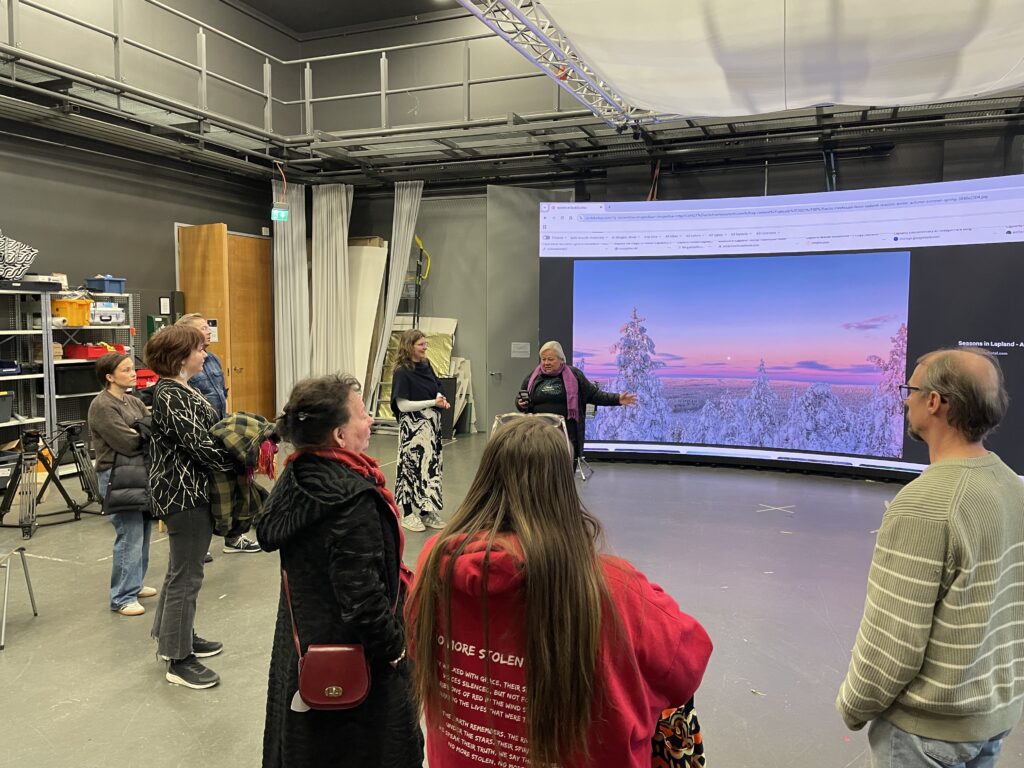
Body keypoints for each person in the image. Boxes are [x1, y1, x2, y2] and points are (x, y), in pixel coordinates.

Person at [406, 415, 712, 768]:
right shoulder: (613, 588)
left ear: (485, 478)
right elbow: (687, 666)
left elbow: (415, 642)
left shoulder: (436, 562)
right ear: (563, 488)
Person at [837, 347, 1024, 767]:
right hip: (990, 720)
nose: (905, 399)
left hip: (925, 734)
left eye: (911, 390)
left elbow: (892, 642)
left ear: (935, 402)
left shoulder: (922, 506)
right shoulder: (1014, 488)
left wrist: (853, 706)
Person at [257, 374, 423, 768]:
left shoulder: (296, 476)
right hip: (357, 660)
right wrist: (398, 651)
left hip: (303, 649)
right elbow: (364, 600)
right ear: (338, 435)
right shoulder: (350, 502)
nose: (370, 422)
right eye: (363, 414)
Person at [144, 325, 234, 690]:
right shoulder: (172, 395)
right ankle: (178, 659)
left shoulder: (181, 389)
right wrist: (241, 458)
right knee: (188, 575)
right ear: (181, 357)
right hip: (185, 495)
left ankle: (171, 635)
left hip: (187, 492)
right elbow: (201, 446)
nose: (204, 354)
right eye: (199, 349)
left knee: (180, 570)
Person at [176, 312, 260, 555]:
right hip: (198, 435)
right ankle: (199, 546)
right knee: (204, 491)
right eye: (202, 328)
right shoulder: (182, 364)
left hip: (221, 432)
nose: (208, 331)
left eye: (208, 326)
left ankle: (234, 538)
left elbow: (220, 395)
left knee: (232, 486)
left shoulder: (211, 359)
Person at [87, 352, 155, 617]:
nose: (133, 373)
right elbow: (127, 441)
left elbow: (149, 428)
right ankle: (122, 597)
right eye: (126, 370)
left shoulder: (133, 401)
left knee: (144, 530)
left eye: (132, 369)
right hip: (116, 475)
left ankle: (134, 584)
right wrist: (141, 433)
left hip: (139, 472)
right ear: (109, 376)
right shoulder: (102, 405)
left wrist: (142, 432)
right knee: (129, 532)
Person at [516, 340, 637, 460]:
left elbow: (594, 395)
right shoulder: (533, 377)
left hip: (566, 434)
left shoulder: (574, 375)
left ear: (561, 359)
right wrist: (520, 403)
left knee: (564, 469)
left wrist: (617, 399)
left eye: (551, 359)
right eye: (543, 359)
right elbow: (521, 399)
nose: (546, 362)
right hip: (538, 433)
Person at [390, 329, 450, 532]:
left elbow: (437, 386)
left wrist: (440, 398)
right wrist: (433, 402)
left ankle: (426, 511)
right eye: (421, 344)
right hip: (413, 428)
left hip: (431, 427)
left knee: (429, 468)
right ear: (409, 347)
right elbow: (403, 405)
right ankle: (407, 514)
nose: (425, 348)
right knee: (410, 469)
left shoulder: (426, 365)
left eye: (426, 344)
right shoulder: (402, 372)